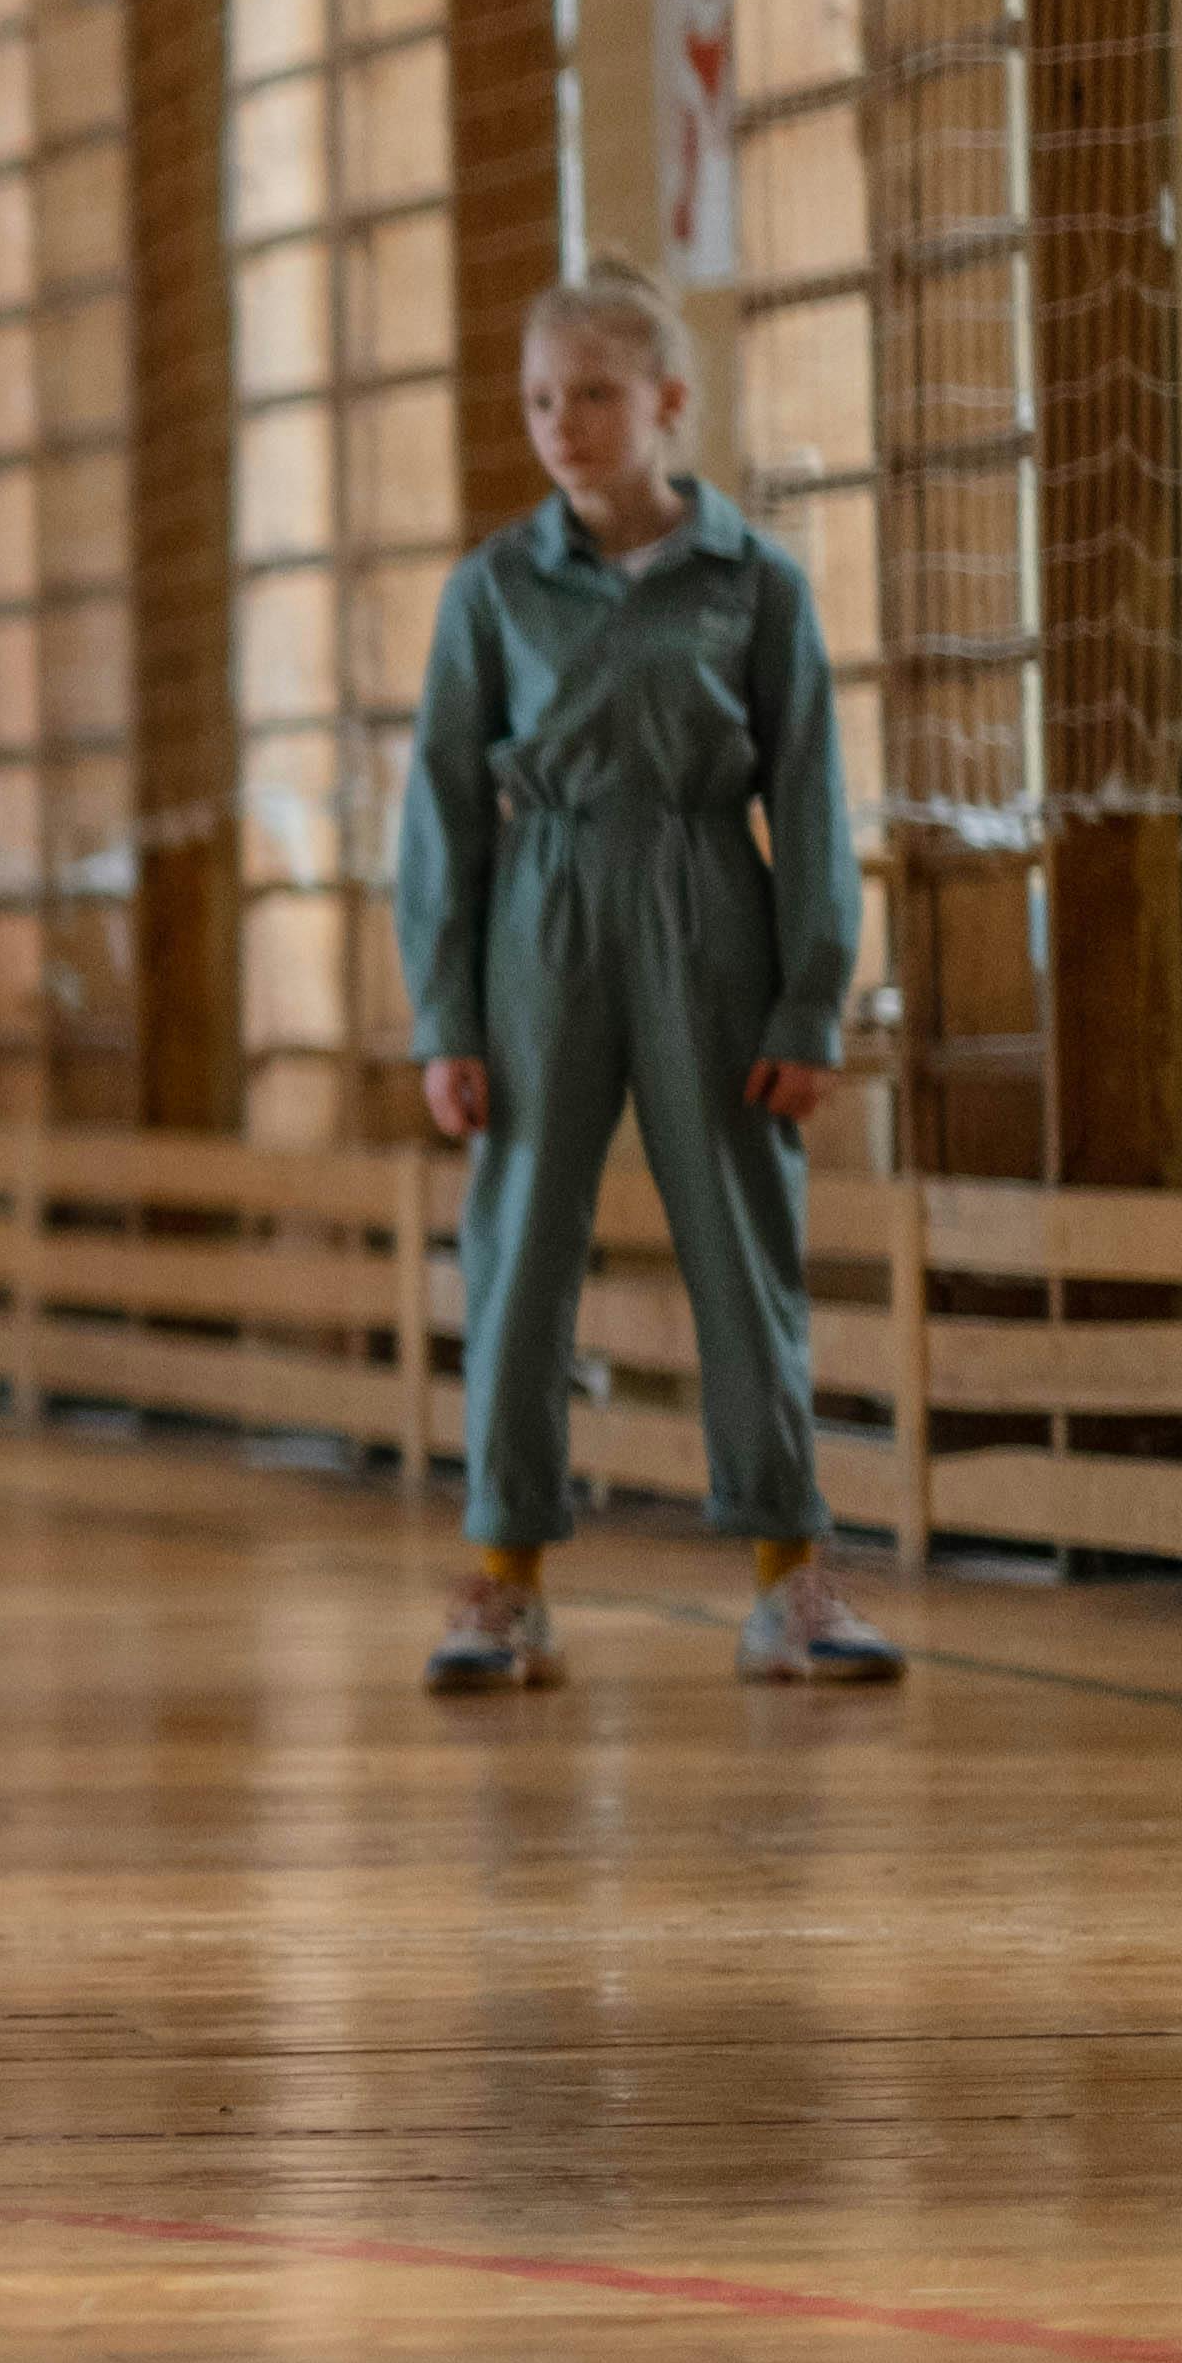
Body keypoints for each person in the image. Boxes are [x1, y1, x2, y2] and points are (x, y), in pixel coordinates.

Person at [399, 260, 898, 1694]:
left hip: (709, 913)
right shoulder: (493, 588)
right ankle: (504, 1583)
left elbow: (810, 799)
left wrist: (809, 1001)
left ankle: (790, 1579)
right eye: (540, 400)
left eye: (595, 396)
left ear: (670, 401)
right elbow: (442, 809)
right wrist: (445, 1014)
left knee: (743, 1244)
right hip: (541, 920)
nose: (561, 425)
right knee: (519, 1247)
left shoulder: (757, 583)